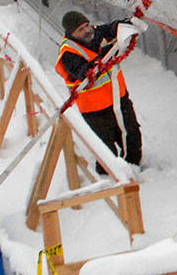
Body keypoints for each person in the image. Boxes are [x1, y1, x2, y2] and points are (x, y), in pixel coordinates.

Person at [55, 10, 142, 170]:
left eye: (86, 25)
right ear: (71, 33)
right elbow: (85, 73)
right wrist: (108, 53)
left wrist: (127, 25)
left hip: (118, 97)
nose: (87, 30)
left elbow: (112, 28)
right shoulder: (69, 53)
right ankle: (109, 179)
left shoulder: (95, 33)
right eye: (80, 29)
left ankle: (133, 168)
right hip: (95, 109)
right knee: (105, 148)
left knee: (132, 134)